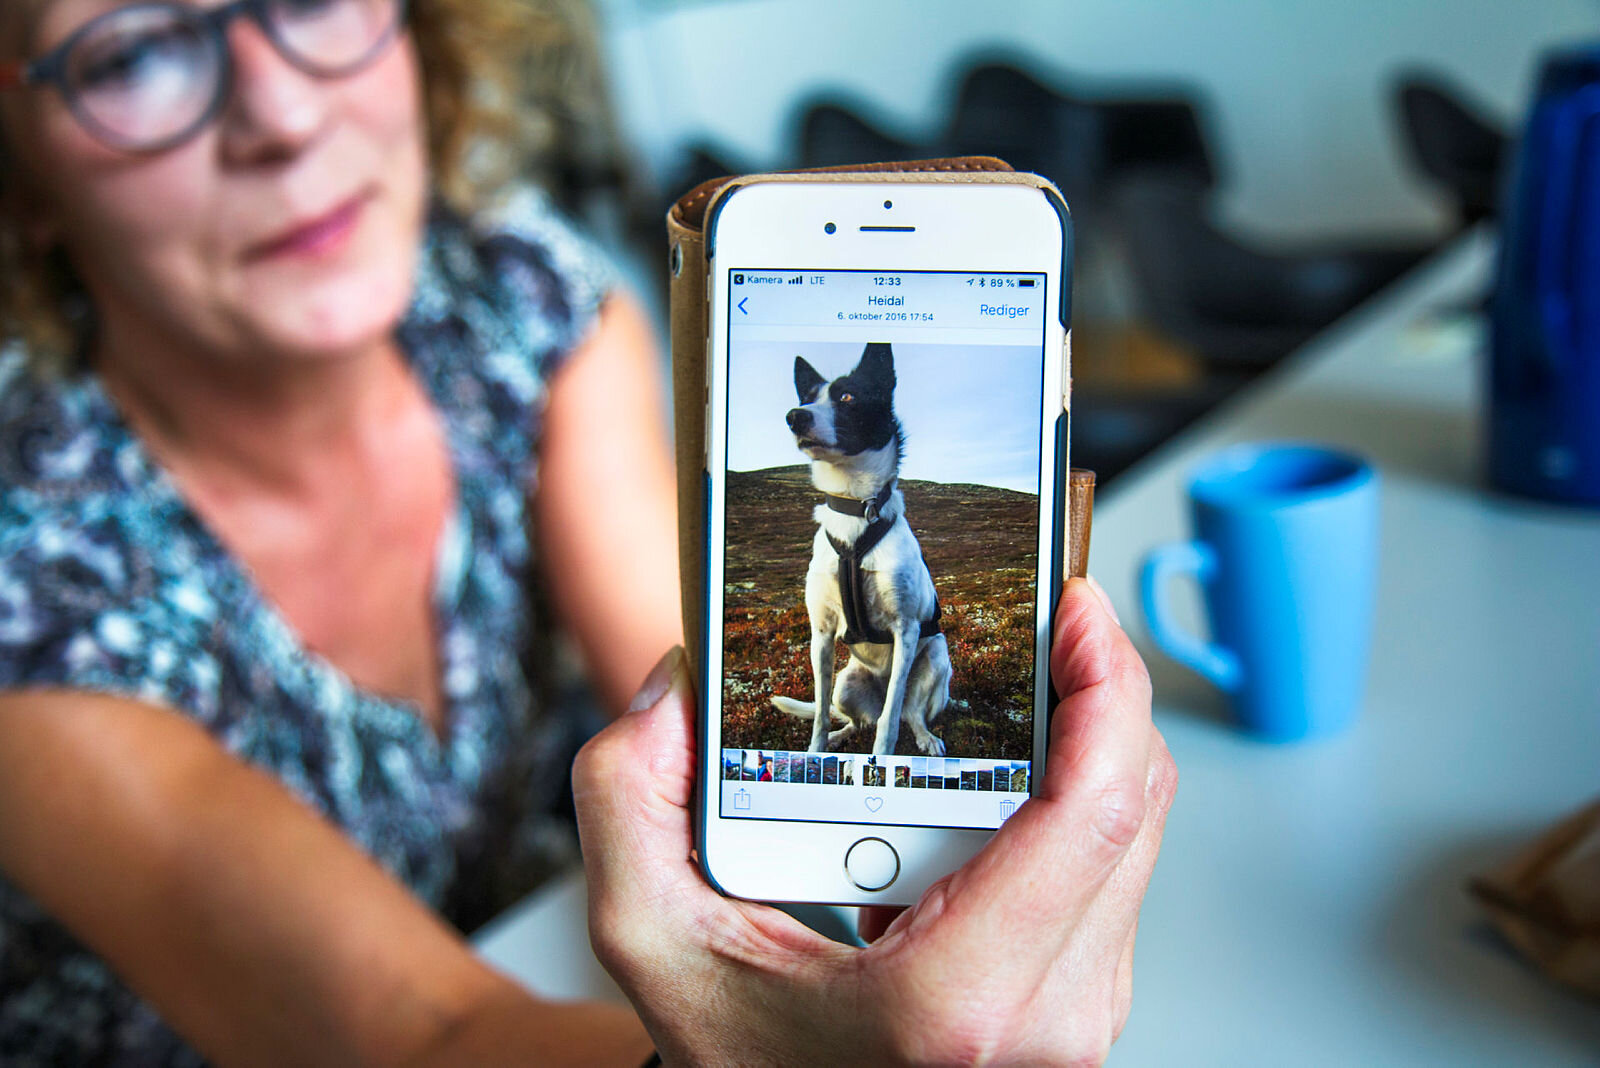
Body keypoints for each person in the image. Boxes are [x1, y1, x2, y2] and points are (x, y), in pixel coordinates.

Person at [0, 0, 1176, 1063]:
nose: (283, 113)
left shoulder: (523, 309)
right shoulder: (29, 587)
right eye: (136, 52)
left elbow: (670, 695)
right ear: (24, 178)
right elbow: (422, 1032)